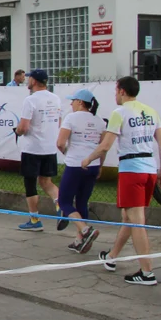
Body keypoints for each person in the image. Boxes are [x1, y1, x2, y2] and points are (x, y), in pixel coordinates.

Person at [84, 77, 161, 285]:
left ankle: (147, 272)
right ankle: (112, 256)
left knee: (137, 221)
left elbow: (106, 145)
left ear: (121, 91)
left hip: (131, 170)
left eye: (115, 91)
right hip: (149, 168)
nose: (115, 95)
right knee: (129, 217)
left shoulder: (119, 113)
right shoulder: (150, 111)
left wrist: (88, 159)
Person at [57, 89, 105, 254]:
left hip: (75, 164)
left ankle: (85, 230)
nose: (71, 104)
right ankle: (79, 241)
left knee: (64, 201)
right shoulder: (99, 121)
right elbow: (102, 148)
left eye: (73, 100)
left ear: (80, 102)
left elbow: (60, 143)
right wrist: (100, 166)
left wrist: (67, 153)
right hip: (93, 165)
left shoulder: (71, 118)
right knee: (82, 202)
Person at [15, 69, 62, 231]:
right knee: (46, 182)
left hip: (33, 148)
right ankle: (59, 203)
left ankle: (34, 220)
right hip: (50, 148)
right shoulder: (56, 99)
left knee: (30, 184)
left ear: (34, 81)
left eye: (29, 78)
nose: (27, 81)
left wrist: (17, 131)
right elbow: (59, 121)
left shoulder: (30, 100)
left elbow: (24, 126)